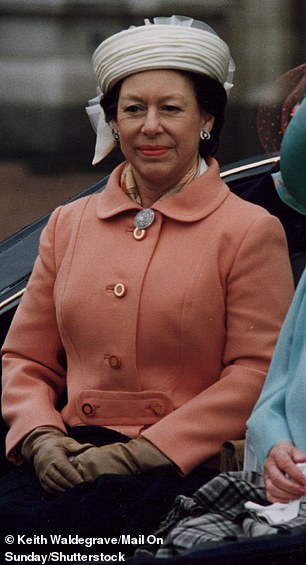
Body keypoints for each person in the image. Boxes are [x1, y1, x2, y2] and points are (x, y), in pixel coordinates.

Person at [0, 14, 293, 546]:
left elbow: (256, 372)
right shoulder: (69, 224)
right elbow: (24, 359)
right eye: (133, 110)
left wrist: (141, 453)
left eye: (171, 109)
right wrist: (39, 436)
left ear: (206, 118)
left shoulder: (249, 230)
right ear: (113, 122)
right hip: (66, 457)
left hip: (179, 468)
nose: (149, 126)